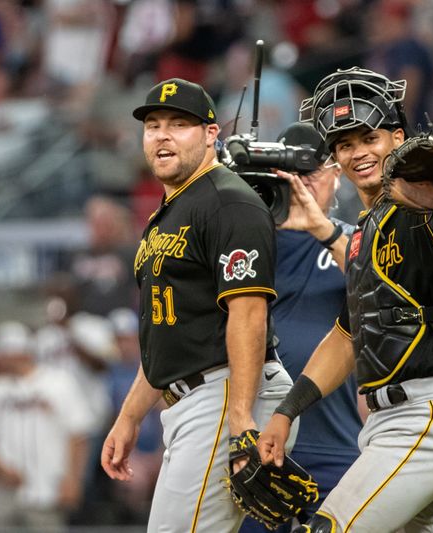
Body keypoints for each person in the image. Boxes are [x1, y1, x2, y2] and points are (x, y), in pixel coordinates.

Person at [258, 67, 433, 532]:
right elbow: (348, 332)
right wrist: (287, 412)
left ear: (396, 138)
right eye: (345, 145)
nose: (358, 153)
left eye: (369, 138)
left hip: (425, 419)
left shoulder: (419, 210)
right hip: (397, 422)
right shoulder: (364, 231)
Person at [100, 77, 294, 532]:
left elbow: (249, 314)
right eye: (153, 125)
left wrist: (242, 419)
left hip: (225, 391)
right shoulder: (166, 214)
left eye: (179, 124)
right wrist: (129, 418)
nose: (162, 135)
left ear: (211, 134)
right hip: (193, 397)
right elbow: (168, 333)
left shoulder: (229, 202)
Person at [238, 122, 363, 533]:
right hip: (256, 433)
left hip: (336, 433)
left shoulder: (351, 237)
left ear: (336, 174)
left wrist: (320, 230)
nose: (305, 183)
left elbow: (377, 284)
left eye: (313, 170)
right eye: (295, 172)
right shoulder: (251, 241)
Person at [0, 321, 93, 529]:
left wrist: (73, 480)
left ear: (18, 354)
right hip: (3, 490)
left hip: (47, 489)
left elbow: (79, 435)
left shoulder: (59, 382)